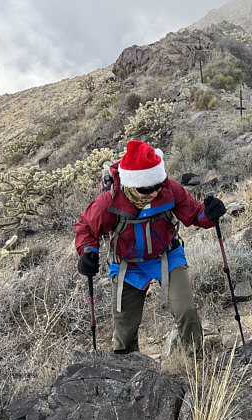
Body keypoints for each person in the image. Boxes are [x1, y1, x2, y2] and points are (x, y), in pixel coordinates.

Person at [74, 139, 226, 355]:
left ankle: (196, 363)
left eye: (156, 186)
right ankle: (128, 371)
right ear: (131, 184)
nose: (154, 193)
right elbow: (85, 228)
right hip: (128, 265)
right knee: (124, 332)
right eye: (146, 189)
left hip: (167, 255)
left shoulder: (169, 189)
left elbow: (194, 215)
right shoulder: (109, 202)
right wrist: (88, 252)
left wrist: (210, 214)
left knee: (186, 311)